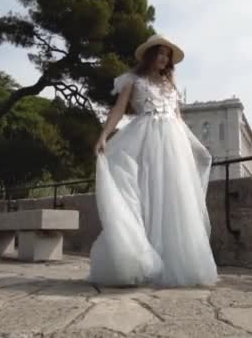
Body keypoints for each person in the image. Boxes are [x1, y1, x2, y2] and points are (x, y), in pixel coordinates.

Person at [87, 34, 218, 287]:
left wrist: (196, 147)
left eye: (167, 55)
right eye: (160, 53)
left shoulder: (171, 85)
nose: (163, 58)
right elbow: (117, 110)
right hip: (145, 140)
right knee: (144, 194)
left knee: (173, 198)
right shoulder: (132, 80)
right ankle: (141, 261)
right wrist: (104, 135)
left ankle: (173, 263)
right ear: (149, 55)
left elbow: (178, 119)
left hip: (173, 143)